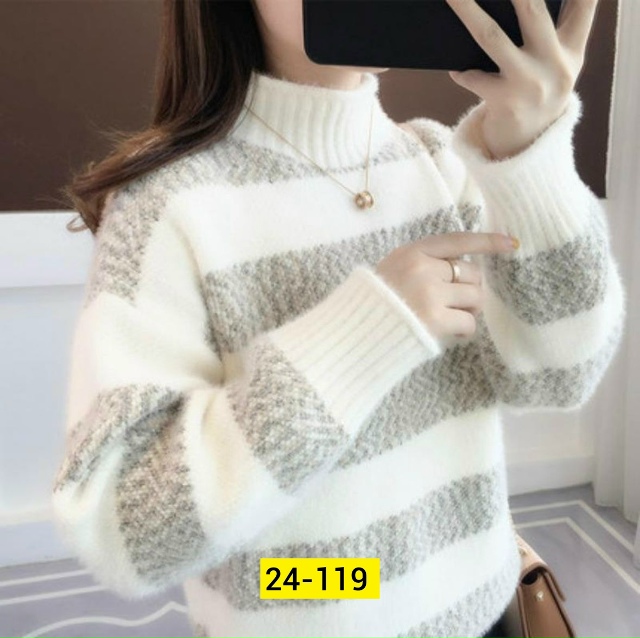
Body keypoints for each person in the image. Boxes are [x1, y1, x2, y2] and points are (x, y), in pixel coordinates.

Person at [51, 0, 626, 637]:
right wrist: (369, 331)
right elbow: (126, 533)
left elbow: (560, 377)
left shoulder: (441, 163)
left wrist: (533, 155)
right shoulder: (166, 208)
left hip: (484, 614)